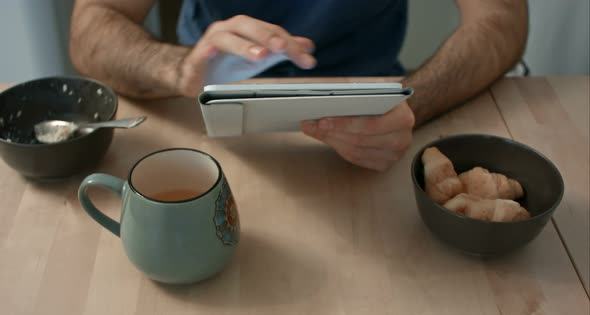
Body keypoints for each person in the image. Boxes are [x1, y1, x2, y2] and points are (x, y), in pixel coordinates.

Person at [69, 0, 528, 171]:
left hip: (379, 125)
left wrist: (412, 101)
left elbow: (500, 18)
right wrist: (177, 67)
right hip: (205, 114)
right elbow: (92, 23)